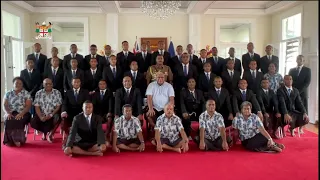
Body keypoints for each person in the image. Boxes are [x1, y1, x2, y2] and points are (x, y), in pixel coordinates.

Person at [2, 77, 32, 147]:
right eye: (16, 83)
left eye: (20, 83)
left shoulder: (26, 93)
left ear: (22, 85)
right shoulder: (8, 93)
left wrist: (21, 113)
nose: (17, 84)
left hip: (24, 112)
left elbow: (28, 106)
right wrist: (8, 113)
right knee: (8, 119)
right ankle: (9, 140)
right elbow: (5, 105)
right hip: (11, 112)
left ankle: (17, 140)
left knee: (18, 119)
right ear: (13, 84)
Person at [31, 78, 62, 143]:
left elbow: (58, 106)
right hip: (41, 113)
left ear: (52, 84)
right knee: (33, 121)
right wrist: (40, 116)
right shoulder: (39, 93)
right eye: (46, 84)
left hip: (53, 113)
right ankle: (44, 133)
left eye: (50, 84)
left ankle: (50, 134)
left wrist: (51, 115)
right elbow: (36, 106)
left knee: (58, 118)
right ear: (43, 85)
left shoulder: (57, 92)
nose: (48, 85)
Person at [61, 78, 90, 146]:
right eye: (75, 82)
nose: (76, 83)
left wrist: (84, 112)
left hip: (82, 113)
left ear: (80, 83)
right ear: (72, 83)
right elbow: (64, 104)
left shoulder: (85, 92)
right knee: (63, 121)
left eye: (78, 82)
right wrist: (64, 111)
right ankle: (70, 136)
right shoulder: (68, 92)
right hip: (70, 114)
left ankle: (72, 139)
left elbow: (87, 103)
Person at [91, 79, 113, 145]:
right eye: (100, 84)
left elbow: (111, 104)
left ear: (106, 85)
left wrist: (109, 112)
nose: (102, 85)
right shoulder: (95, 93)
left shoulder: (109, 93)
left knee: (109, 119)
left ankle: (106, 135)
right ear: (98, 85)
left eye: (103, 84)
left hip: (106, 113)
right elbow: (93, 105)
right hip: (97, 113)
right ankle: (96, 136)